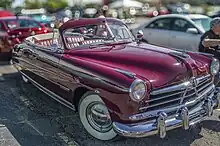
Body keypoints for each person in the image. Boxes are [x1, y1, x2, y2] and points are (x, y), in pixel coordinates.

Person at [199, 17, 220, 86]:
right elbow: (205, 42)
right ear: (213, 26)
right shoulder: (208, 34)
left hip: (216, 59)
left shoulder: (218, 35)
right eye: (219, 24)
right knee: (215, 77)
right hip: (207, 60)